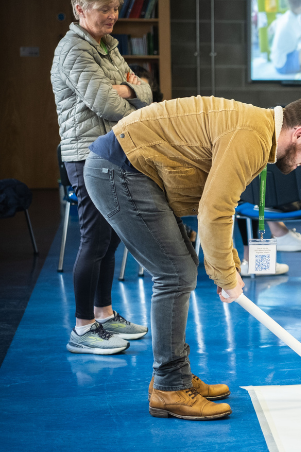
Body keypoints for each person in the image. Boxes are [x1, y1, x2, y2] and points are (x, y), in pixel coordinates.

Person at [83, 96, 301, 420]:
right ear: (300, 133)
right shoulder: (252, 135)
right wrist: (228, 277)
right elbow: (213, 211)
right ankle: (170, 388)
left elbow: (219, 204)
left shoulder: (258, 132)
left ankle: (172, 377)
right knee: (176, 274)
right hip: (121, 169)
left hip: (134, 170)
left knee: (181, 271)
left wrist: (228, 268)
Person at [52, 0, 153, 354]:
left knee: (110, 240)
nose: (113, 14)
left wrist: (128, 88)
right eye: (104, 7)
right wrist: (127, 89)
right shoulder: (72, 50)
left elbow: (147, 90)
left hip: (111, 151)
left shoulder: (108, 47)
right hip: (85, 155)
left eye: (116, 7)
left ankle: (104, 314)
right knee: (94, 239)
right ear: (79, 8)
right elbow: (106, 104)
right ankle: (82, 328)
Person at [271, 0, 301, 75]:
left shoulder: (287, 15)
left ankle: (300, 66)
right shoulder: (292, 20)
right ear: (299, 7)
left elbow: (271, 29)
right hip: (282, 63)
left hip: (278, 59)